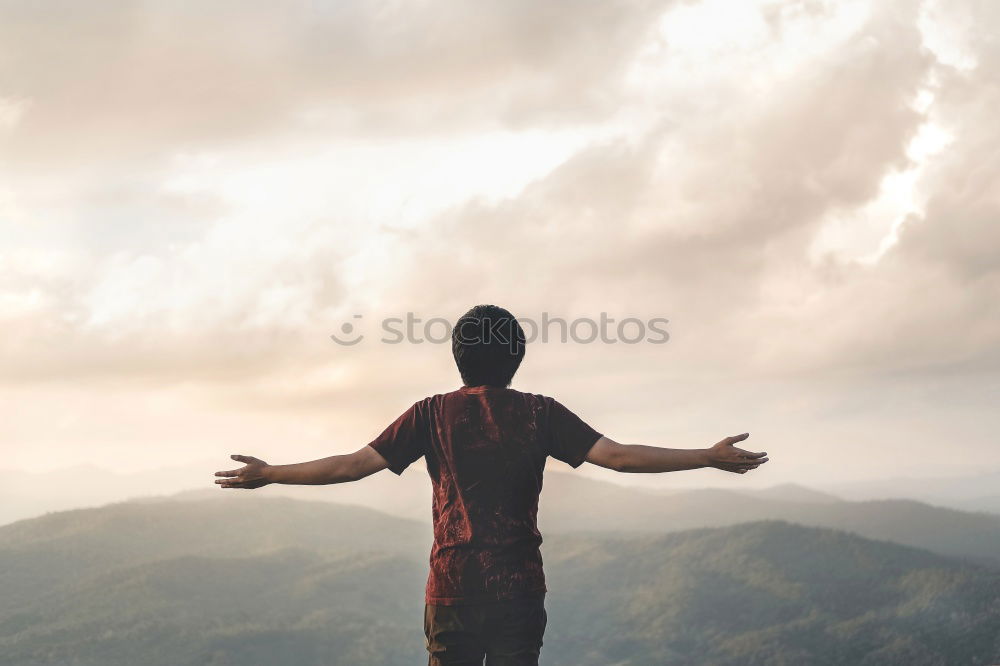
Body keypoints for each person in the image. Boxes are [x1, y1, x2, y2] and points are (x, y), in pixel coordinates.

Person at [214, 304, 769, 665]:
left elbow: (349, 466)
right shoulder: (540, 413)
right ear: (517, 358)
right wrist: (708, 457)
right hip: (518, 588)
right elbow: (620, 458)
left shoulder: (430, 414)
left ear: (457, 358)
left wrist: (270, 474)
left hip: (452, 586)